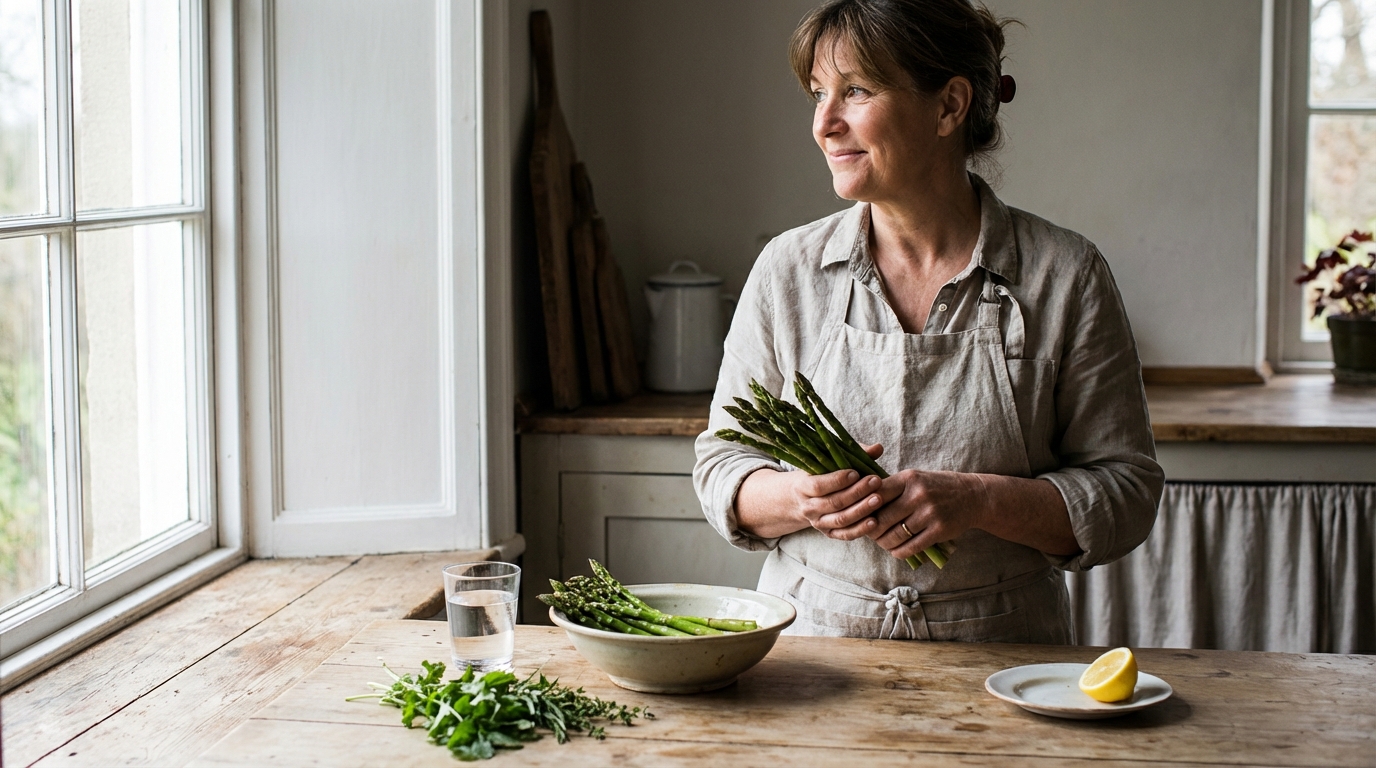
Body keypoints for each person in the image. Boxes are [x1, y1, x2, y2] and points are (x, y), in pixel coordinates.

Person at [693, 0, 1164, 643]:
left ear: (949, 106)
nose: (824, 125)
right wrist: (800, 498)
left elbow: (1127, 493)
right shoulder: (788, 270)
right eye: (818, 94)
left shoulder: (1066, 274)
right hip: (812, 654)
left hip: (1003, 660)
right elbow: (722, 464)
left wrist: (980, 500)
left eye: (855, 91)